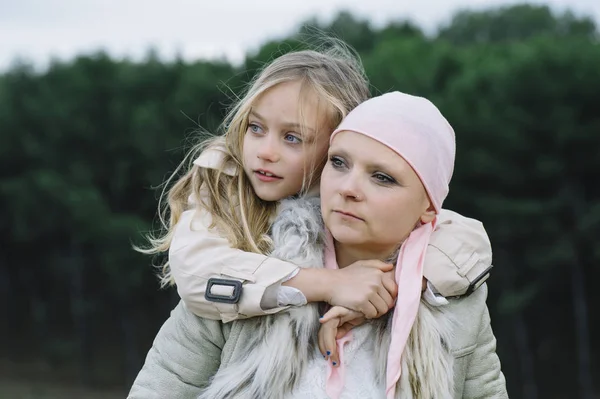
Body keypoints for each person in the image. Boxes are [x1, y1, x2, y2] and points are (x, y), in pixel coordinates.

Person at [129, 90, 507, 398]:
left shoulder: (455, 300)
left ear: (428, 208)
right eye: (339, 163)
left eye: (382, 177)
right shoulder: (248, 265)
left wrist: (398, 289)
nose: (348, 188)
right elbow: (160, 388)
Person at [139, 43, 492, 329]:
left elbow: (466, 243)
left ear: (333, 148)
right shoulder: (224, 191)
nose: (265, 152)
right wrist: (329, 283)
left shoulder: (351, 205)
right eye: (256, 128)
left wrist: (395, 287)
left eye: (293, 138)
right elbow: (195, 271)